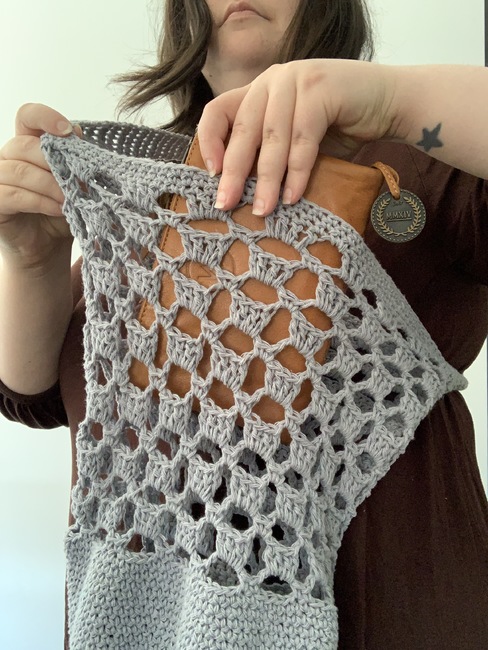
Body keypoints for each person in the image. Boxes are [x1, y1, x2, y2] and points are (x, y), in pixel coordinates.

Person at [0, 1, 487, 648]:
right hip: (137, 620)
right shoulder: (147, 201)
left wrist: (396, 99)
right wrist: (31, 259)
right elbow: (32, 397)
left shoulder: (427, 157)